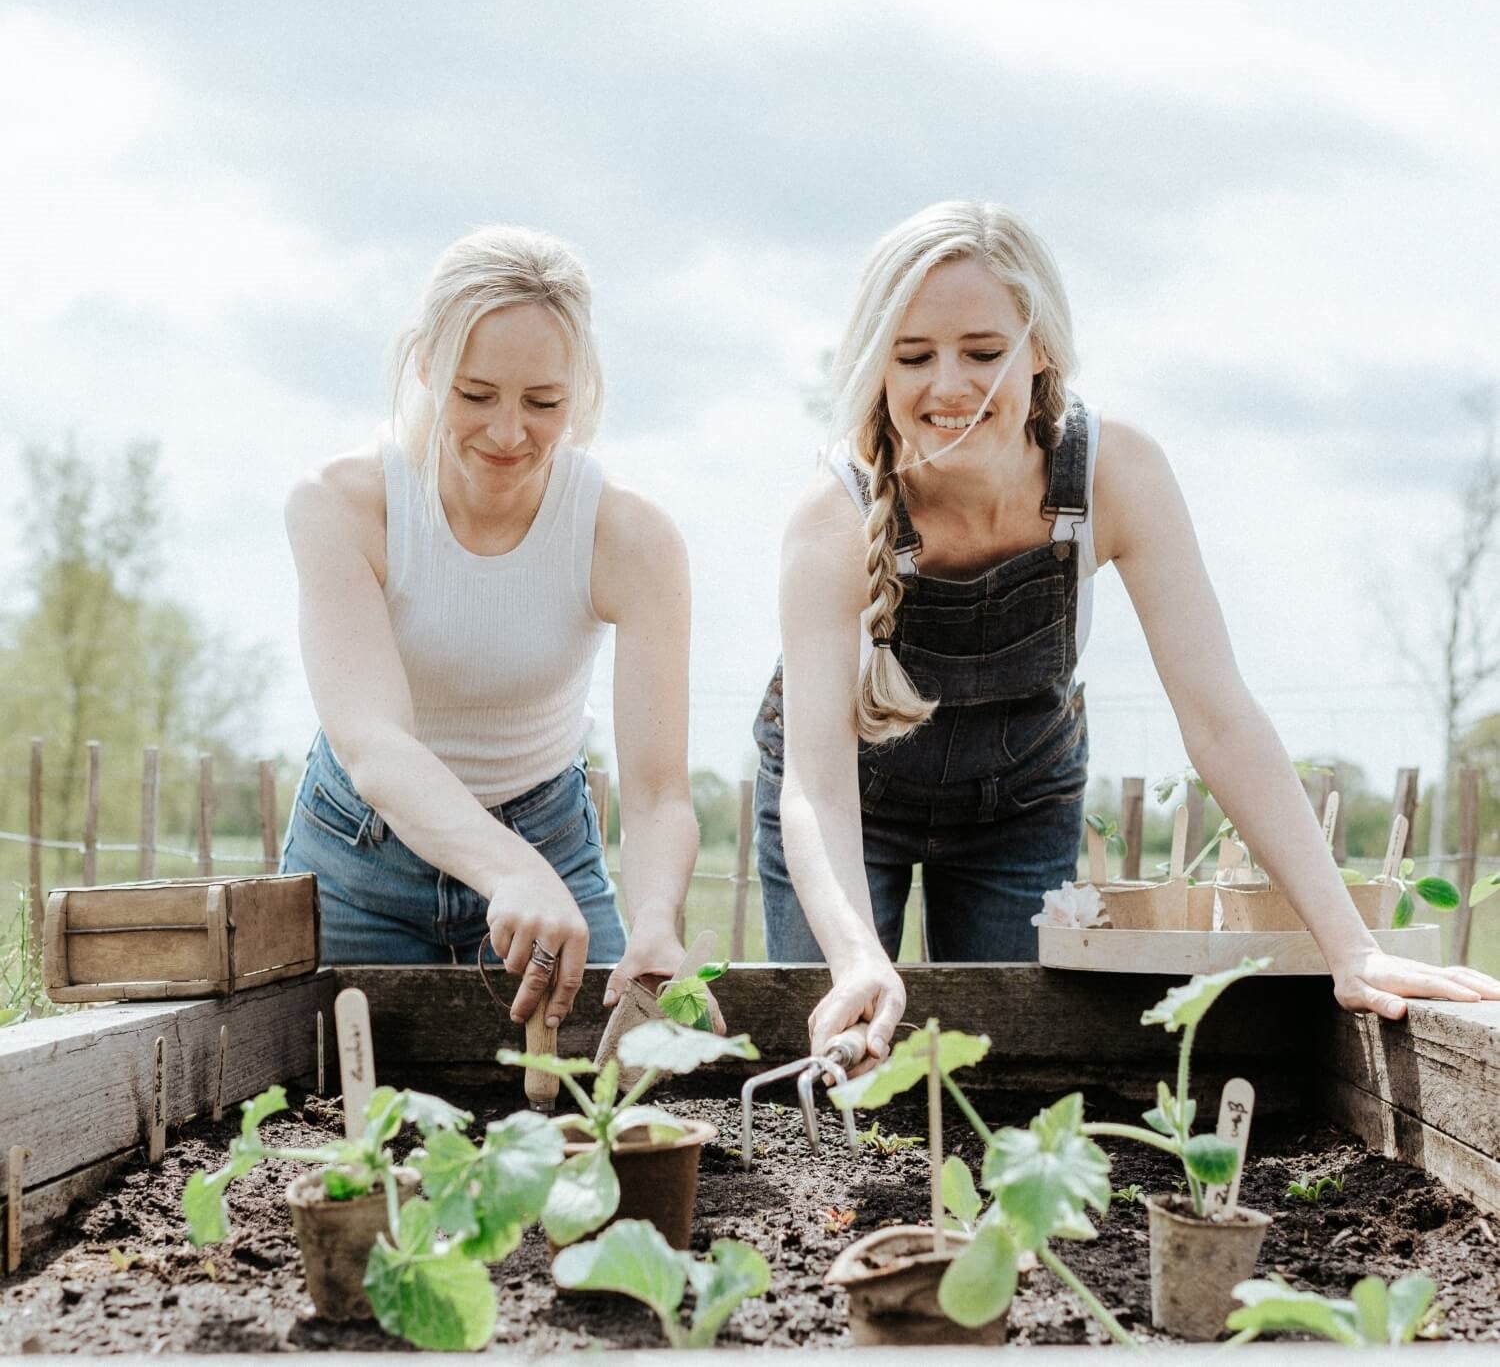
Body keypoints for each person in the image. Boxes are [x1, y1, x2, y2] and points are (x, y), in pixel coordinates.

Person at [753, 200, 1500, 1069]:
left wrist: (1351, 946)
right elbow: (816, 783)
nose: (949, 385)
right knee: (843, 1059)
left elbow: (1219, 716)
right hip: (852, 805)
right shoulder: (830, 511)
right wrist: (854, 956)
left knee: (1000, 1074)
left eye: (984, 353)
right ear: (877, 362)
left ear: (1041, 350)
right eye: (913, 356)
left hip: (1020, 805)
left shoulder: (1115, 474)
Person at [282, 224, 711, 1034]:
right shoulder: (343, 505)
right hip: (358, 857)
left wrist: (657, 915)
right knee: (334, 1111)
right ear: (424, 366)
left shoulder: (631, 538)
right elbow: (375, 742)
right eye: (475, 395)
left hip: (548, 838)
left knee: (611, 1089)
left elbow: (657, 793)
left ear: (579, 390)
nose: (509, 433)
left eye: (543, 403)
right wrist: (510, 870)